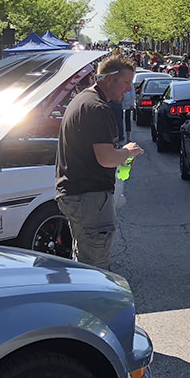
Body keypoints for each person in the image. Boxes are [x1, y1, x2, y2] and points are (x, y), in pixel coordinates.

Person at [55, 55, 144, 269]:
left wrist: (121, 156)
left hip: (78, 196)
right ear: (109, 79)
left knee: (83, 262)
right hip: (89, 199)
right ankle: (93, 302)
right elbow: (106, 158)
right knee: (95, 269)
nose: (129, 90)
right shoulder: (97, 108)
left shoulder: (84, 100)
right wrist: (127, 152)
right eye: (125, 83)